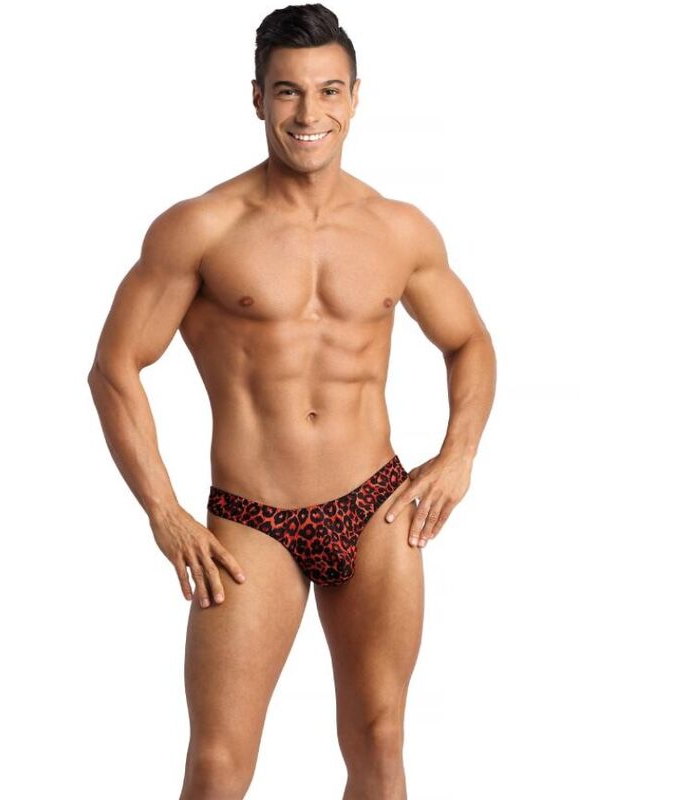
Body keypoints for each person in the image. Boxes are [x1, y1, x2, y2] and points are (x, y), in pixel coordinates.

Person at [87, 4, 496, 798]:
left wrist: (459, 454)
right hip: (252, 523)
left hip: (375, 509)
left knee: (380, 744)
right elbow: (115, 368)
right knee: (218, 764)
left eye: (328, 90)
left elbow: (469, 340)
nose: (310, 113)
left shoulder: (400, 229)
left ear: (355, 97)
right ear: (257, 98)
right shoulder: (201, 228)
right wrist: (164, 511)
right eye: (288, 91)